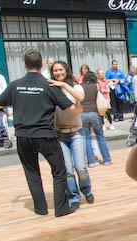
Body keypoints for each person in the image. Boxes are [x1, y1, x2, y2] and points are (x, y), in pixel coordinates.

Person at [0, 49, 78, 217]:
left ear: (25, 65)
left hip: (23, 136)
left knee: (31, 172)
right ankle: (61, 208)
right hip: (45, 135)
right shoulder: (49, 85)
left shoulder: (15, 85)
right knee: (59, 171)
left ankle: (41, 209)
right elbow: (72, 108)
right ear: (41, 65)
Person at [50, 61, 94, 211]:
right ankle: (74, 197)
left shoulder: (75, 86)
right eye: (55, 70)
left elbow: (80, 97)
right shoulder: (51, 89)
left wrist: (63, 85)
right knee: (68, 170)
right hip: (60, 134)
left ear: (66, 70)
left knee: (81, 167)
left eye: (61, 69)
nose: (58, 73)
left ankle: (86, 190)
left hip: (76, 132)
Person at [81, 71, 112, 167]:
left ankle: (91, 162)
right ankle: (106, 159)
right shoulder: (96, 86)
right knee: (100, 136)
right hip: (95, 113)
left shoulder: (80, 87)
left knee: (87, 138)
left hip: (83, 114)